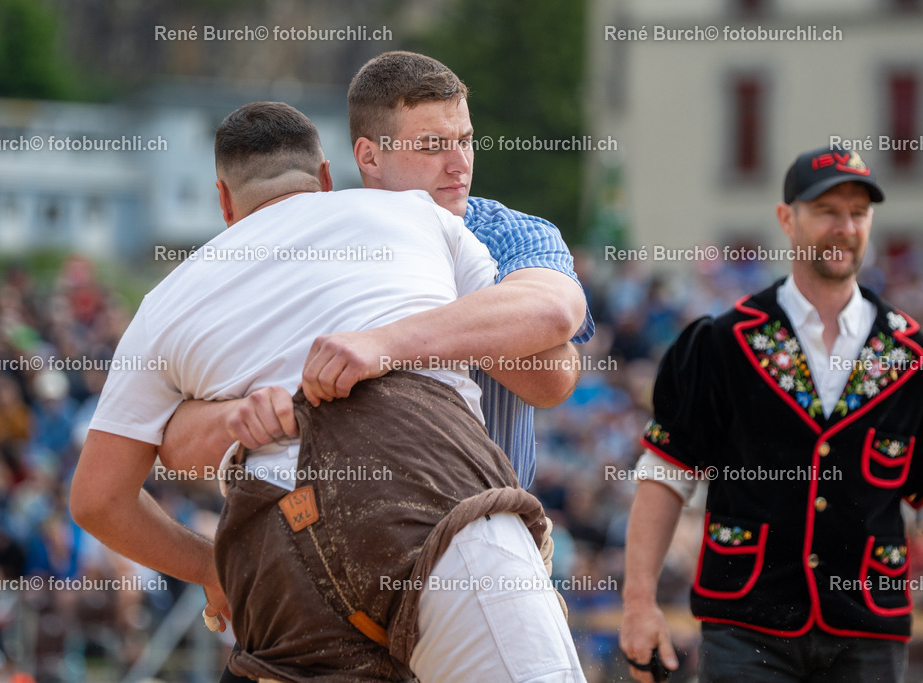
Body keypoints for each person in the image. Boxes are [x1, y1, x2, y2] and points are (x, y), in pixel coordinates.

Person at [70, 102, 585, 682]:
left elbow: (97, 499)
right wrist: (390, 343)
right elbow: (549, 368)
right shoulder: (410, 215)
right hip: (431, 488)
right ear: (325, 177)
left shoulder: (161, 304)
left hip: (277, 554)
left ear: (223, 200)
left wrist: (209, 569)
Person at [160, 51, 593, 491]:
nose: (460, 164)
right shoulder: (320, 239)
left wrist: (382, 340)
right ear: (369, 157)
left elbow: (553, 365)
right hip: (340, 530)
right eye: (432, 145)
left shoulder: (509, 233)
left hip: (489, 522)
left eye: (465, 139)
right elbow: (179, 438)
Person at [619, 146, 922, 682]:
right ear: (787, 218)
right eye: (827, 210)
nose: (845, 227)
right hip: (746, 624)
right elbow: (666, 474)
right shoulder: (723, 343)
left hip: (869, 629)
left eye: (858, 212)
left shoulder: (912, 355)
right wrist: (639, 603)